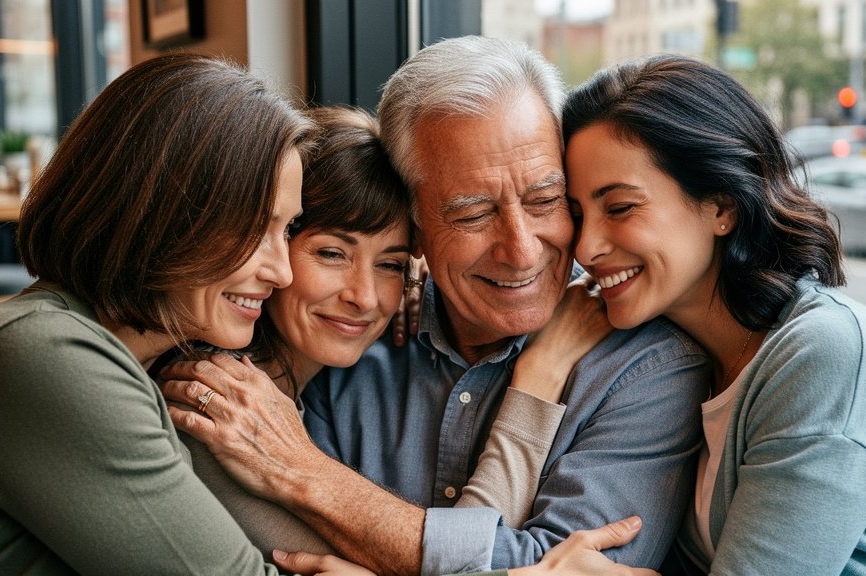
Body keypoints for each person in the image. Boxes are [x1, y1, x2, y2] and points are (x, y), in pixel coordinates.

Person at [161, 35, 710, 575]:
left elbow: (593, 569)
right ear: (416, 225)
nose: (521, 251)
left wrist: (303, 472)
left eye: (545, 200)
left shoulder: (647, 365)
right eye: (473, 214)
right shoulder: (344, 346)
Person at [561, 54, 866, 575]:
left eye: (619, 207)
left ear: (722, 206)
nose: (586, 247)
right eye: (577, 214)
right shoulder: (666, 352)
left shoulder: (827, 353)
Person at [175, 104, 614, 559]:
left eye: (389, 265)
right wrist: (539, 377)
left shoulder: (301, 385)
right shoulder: (218, 402)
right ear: (275, 241)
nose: (364, 297)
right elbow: (443, 562)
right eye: (331, 254)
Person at [0, 53, 315, 574]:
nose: (283, 272)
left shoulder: (160, 361)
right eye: (255, 227)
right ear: (160, 213)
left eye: (288, 229)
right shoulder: (48, 356)